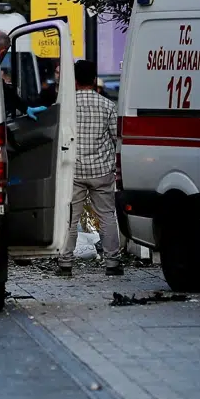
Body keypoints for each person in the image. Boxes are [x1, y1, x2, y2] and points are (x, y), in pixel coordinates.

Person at [59, 60, 123, 276]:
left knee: (70, 218)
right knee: (107, 216)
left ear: (74, 80)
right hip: (101, 171)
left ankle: (65, 264)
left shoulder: (66, 107)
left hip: (73, 171)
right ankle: (112, 264)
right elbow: (116, 138)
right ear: (94, 80)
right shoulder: (108, 106)